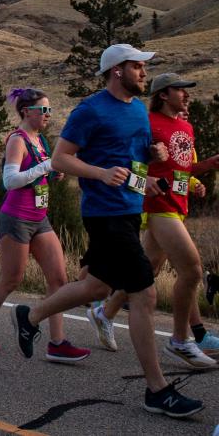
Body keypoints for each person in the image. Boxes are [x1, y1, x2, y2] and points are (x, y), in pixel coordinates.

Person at [10, 44, 203, 418]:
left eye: (144, 68)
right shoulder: (91, 109)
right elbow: (62, 157)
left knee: (97, 286)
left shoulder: (137, 112)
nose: (143, 73)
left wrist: (148, 167)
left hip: (131, 209)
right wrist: (99, 173)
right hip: (104, 213)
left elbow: (132, 157)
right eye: (137, 67)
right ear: (117, 70)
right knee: (144, 294)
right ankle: (157, 390)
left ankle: (29, 317)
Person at [87, 73, 219, 365]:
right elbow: (131, 162)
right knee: (193, 270)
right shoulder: (147, 123)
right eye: (181, 90)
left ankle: (104, 313)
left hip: (177, 204)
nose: (186, 95)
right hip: (157, 205)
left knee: (146, 271)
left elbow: (181, 168)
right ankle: (181, 340)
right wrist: (148, 168)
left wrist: (206, 168)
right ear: (163, 95)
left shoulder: (185, 125)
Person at [0, 88, 90, 362]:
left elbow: (40, 172)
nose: (48, 115)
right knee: (12, 279)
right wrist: (46, 167)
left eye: (49, 110)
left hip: (40, 217)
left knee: (58, 279)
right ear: (27, 111)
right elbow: (10, 181)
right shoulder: (17, 139)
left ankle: (57, 342)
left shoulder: (41, 140)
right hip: (16, 218)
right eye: (43, 110)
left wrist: (53, 173)